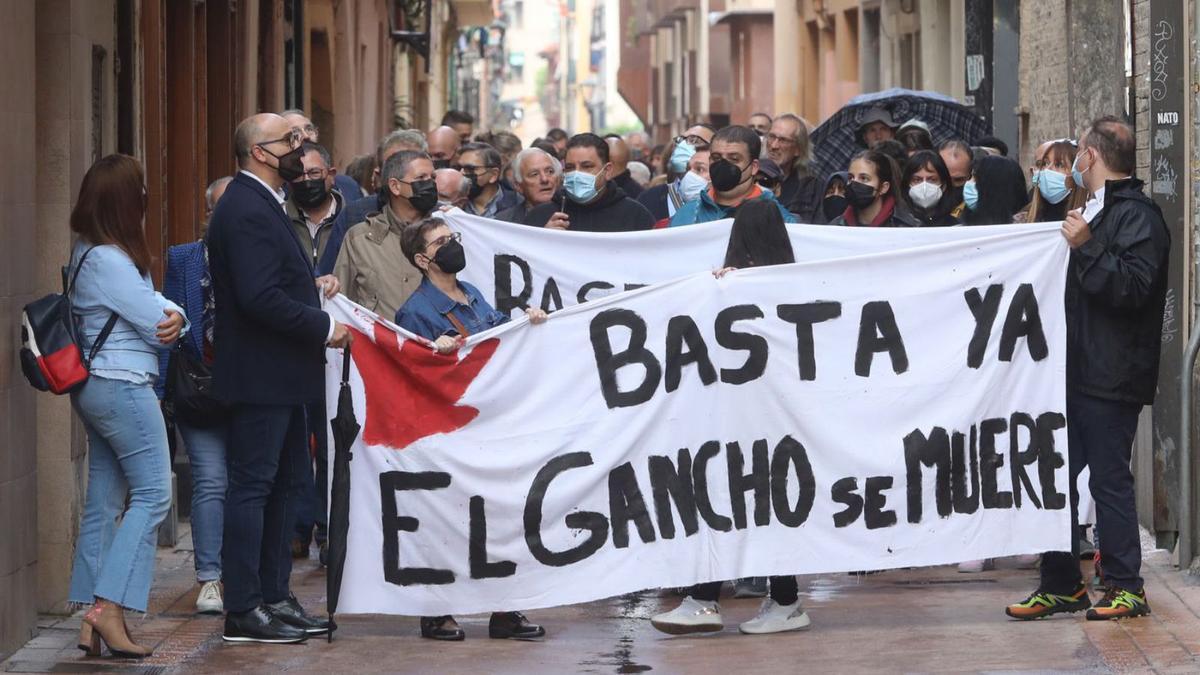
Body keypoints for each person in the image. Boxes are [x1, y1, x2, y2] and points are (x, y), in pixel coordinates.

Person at [1005, 116, 1169, 621]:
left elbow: (1135, 289)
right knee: (1054, 478)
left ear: (1091, 158)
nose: (1073, 164)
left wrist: (1087, 247)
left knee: (1108, 480)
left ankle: (1125, 585)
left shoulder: (1138, 216)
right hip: (1070, 373)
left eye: (1077, 155)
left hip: (1111, 375)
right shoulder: (1089, 210)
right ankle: (1060, 583)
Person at [206, 113, 350, 644]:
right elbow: (257, 297)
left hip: (283, 373)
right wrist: (324, 325)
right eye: (289, 140)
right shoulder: (244, 207)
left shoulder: (266, 202)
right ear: (260, 153)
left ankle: (274, 596)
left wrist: (308, 286)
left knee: (287, 488)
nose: (301, 145)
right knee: (253, 489)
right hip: (261, 374)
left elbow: (270, 283)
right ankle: (244, 607)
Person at [651, 201, 812, 636]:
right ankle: (779, 600)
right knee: (761, 509)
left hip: (738, 423)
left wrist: (720, 293)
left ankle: (711, 600)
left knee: (725, 504)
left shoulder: (732, 289)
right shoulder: (796, 284)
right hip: (780, 425)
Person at [395, 217, 548, 641]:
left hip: (489, 424)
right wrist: (432, 354)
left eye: (452, 238)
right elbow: (408, 374)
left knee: (500, 515)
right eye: (441, 242)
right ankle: (436, 610)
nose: (451, 246)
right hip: (448, 432)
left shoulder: (472, 293)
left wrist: (526, 322)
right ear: (424, 259)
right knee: (446, 520)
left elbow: (500, 332)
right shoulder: (415, 311)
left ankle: (504, 608)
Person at [68, 154, 187, 658]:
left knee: (104, 500)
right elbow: (154, 322)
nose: (145, 199)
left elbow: (156, 310)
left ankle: (90, 620)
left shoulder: (86, 253)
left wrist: (168, 309)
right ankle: (107, 606)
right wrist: (176, 311)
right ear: (124, 201)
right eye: (140, 190)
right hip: (123, 385)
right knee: (155, 495)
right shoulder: (111, 261)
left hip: (100, 385)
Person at [157, 176, 233, 615]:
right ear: (207, 211)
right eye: (219, 206)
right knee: (210, 480)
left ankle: (242, 573)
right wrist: (162, 391)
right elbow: (167, 323)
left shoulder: (257, 258)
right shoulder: (183, 258)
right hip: (197, 390)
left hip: (246, 387)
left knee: (247, 483)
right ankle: (209, 578)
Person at [333, 150, 433, 319]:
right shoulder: (359, 239)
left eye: (433, 178)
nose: (430, 184)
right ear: (395, 186)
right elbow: (342, 302)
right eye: (421, 178)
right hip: (379, 343)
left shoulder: (446, 234)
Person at [316, 129, 427, 275]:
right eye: (395, 166)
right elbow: (331, 277)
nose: (403, 173)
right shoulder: (355, 215)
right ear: (379, 174)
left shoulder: (443, 217)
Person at [523, 133, 655, 232]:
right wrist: (542, 239)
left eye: (587, 166)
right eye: (570, 167)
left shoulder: (635, 216)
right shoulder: (540, 217)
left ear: (607, 171)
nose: (576, 174)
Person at [670, 125, 795, 226]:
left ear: (754, 167)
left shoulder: (780, 220)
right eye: (716, 157)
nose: (723, 164)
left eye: (734, 159)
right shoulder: (687, 216)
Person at [638, 124, 715, 221]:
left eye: (695, 141)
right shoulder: (649, 199)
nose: (683, 147)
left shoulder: (727, 203)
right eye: (681, 140)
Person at [286, 142, 344, 268]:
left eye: (314, 172)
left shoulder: (350, 219)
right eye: (298, 175)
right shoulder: (279, 218)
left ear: (331, 175)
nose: (306, 180)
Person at [280, 109, 361, 198]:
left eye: (309, 129)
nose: (306, 136)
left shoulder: (348, 186)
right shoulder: (278, 191)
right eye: (295, 132)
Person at [827, 149, 919, 227]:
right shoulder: (836, 227)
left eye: (864, 178)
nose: (854, 183)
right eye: (851, 178)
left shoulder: (906, 227)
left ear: (883, 187)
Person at [765, 113, 820, 217]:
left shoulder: (810, 189)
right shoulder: (750, 177)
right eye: (772, 137)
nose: (773, 146)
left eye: (783, 140)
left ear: (798, 149)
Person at [1024, 140, 1088, 223]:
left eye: (1059, 165)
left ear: (1074, 173)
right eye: (1044, 164)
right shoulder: (1023, 220)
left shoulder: (1090, 218)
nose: (1047, 169)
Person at [455, 142, 522, 218]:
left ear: (493, 175)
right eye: (458, 168)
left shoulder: (518, 204)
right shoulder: (454, 203)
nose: (461, 174)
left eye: (470, 169)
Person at [961, 155, 1029, 226]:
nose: (969, 183)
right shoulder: (960, 229)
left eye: (976, 178)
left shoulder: (1028, 230)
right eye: (970, 177)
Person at [497, 147, 561, 223]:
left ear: (558, 179)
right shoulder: (504, 222)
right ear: (518, 186)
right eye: (534, 174)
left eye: (550, 171)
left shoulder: (575, 214)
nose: (544, 179)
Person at [652, 147, 710, 228]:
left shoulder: (727, 219)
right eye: (687, 169)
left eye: (699, 169)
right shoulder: (664, 226)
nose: (689, 174)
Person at [900, 150, 960, 227]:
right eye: (917, 180)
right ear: (907, 184)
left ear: (944, 185)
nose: (924, 186)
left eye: (932, 180)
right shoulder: (897, 220)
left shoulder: (956, 221)